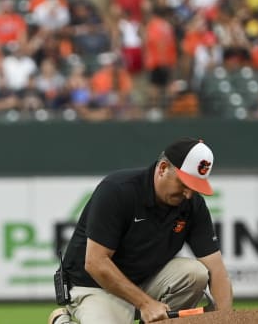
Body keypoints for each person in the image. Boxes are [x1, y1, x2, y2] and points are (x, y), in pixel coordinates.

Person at [49, 138, 233, 324]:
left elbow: (217, 270)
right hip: (95, 285)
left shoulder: (192, 204)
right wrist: (146, 304)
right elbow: (95, 262)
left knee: (196, 273)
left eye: (195, 187)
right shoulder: (118, 190)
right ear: (162, 169)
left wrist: (225, 319)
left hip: (144, 280)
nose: (188, 193)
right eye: (184, 183)